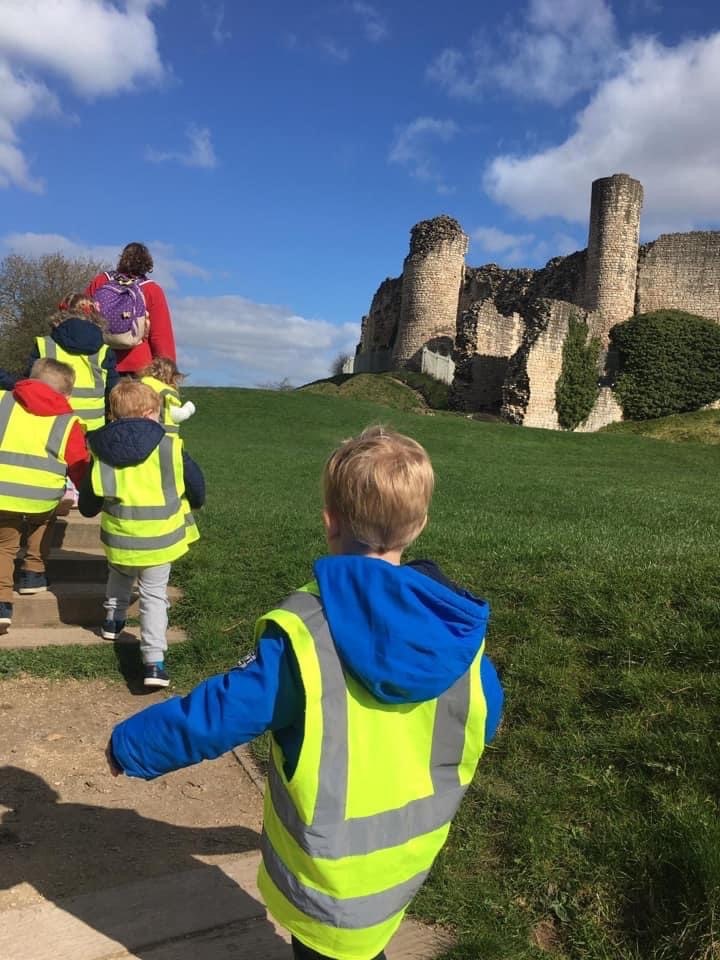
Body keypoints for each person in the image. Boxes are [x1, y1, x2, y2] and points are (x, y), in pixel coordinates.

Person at [106, 425, 504, 960]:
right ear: (419, 525)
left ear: (329, 521)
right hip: (407, 859)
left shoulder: (307, 632)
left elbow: (224, 710)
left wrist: (134, 744)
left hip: (328, 874)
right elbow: (484, 711)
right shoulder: (454, 629)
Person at [78, 380, 204, 688]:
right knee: (153, 597)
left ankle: (112, 621)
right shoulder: (170, 446)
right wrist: (195, 502)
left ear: (113, 415)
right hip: (160, 538)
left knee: (119, 574)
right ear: (150, 413)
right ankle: (154, 662)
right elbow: (197, 488)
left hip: (120, 537)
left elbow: (87, 506)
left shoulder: (101, 450)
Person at [0, 358, 90, 626]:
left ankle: (2, 604)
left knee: (4, 546)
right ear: (67, 393)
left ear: (29, 378)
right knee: (44, 520)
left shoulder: (3, 401)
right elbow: (78, 464)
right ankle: (33, 573)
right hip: (42, 497)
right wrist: (86, 492)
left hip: (1, 492)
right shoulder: (68, 421)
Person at [29, 293, 119, 432]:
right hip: (93, 429)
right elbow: (113, 392)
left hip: (50, 425)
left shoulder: (44, 344)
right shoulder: (105, 351)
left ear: (62, 313)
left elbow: (28, 385)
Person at [85, 242, 176, 375]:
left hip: (100, 360)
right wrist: (168, 372)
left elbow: (80, 314)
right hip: (139, 365)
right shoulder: (152, 290)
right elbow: (161, 336)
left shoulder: (102, 281)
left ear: (122, 259)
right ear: (147, 264)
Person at [139, 356, 196, 434]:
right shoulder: (166, 392)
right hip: (161, 440)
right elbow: (176, 415)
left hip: (139, 433)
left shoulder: (139, 386)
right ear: (172, 376)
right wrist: (188, 409)